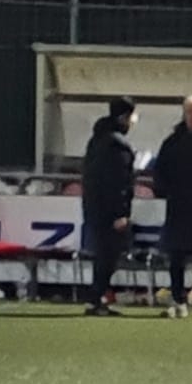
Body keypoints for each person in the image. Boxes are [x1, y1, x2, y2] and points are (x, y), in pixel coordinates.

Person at [82, 96, 138, 317]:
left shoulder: (96, 140)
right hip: (111, 212)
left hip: (94, 207)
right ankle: (95, 298)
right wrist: (121, 213)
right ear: (124, 117)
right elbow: (120, 183)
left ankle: (96, 299)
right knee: (109, 256)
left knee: (102, 254)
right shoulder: (118, 146)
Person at [153, 96, 192, 320]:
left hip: (181, 206)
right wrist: (165, 190)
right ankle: (178, 299)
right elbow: (160, 173)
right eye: (190, 112)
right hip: (179, 208)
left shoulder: (173, 142)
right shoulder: (173, 143)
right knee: (177, 257)